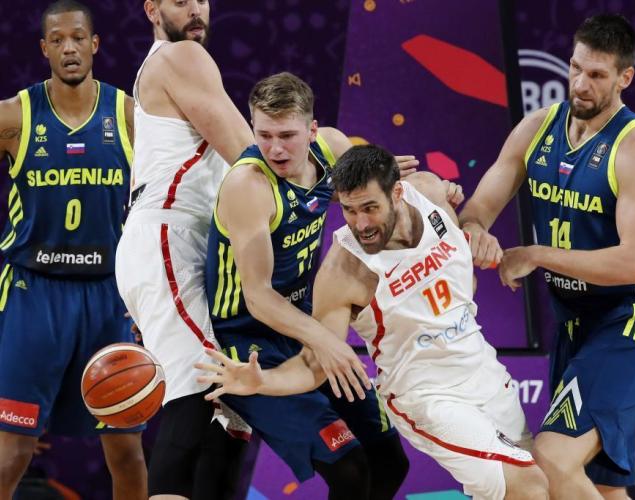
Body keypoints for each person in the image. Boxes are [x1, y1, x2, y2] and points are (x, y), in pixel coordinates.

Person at [197, 144, 550, 500]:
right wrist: (263, 381)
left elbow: (462, 283)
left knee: (543, 486)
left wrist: (478, 239)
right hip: (428, 396)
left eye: (369, 208)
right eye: (349, 211)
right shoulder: (343, 271)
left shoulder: (430, 193)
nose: (361, 224)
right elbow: (314, 366)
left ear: (397, 192)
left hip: (483, 371)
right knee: (529, 485)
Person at [458, 14, 635, 500]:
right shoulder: (538, 127)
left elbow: (634, 264)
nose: (580, 83)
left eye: (596, 74)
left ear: (625, 77)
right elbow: (478, 208)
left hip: (630, 324)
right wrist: (476, 232)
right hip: (575, 327)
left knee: (551, 461)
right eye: (575, 68)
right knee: (599, 486)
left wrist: (537, 253)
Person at [201, 73, 412, 499]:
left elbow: (390, 192)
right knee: (349, 468)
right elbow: (257, 296)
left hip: (301, 323)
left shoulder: (331, 148)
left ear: (312, 130)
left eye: (287, 136)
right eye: (264, 135)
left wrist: (440, 191)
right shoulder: (249, 186)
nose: (275, 149)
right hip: (246, 339)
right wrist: (325, 340)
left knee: (390, 461)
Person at [0, 1, 146, 498]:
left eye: (78, 38)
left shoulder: (129, 115)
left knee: (126, 452)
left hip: (108, 296)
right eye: (58, 40)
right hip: (34, 292)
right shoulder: (15, 115)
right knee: (11, 451)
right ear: (44, 49)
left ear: (94, 44)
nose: (69, 48)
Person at [113, 1, 257, 498]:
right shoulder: (182, 57)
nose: (196, 9)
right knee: (197, 393)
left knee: (230, 405)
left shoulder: (162, 67)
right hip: (169, 241)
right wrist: (339, 183)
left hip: (178, 247)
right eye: (180, 1)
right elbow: (249, 158)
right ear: (152, 9)